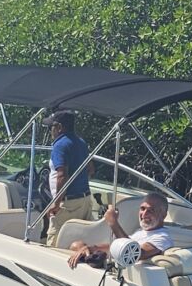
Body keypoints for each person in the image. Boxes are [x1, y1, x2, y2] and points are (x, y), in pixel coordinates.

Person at [68, 192, 174, 268]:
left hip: (129, 278)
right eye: (142, 209)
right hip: (117, 270)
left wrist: (113, 222)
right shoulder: (141, 232)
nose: (144, 214)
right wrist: (89, 248)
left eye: (151, 210)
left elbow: (132, 253)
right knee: (77, 245)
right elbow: (114, 247)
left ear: (163, 215)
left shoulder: (162, 238)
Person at [43, 110, 93, 247]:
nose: (50, 131)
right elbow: (90, 168)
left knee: (55, 242)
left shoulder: (60, 145)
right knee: (81, 238)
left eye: (51, 127)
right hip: (85, 199)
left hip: (68, 203)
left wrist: (56, 203)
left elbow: (62, 175)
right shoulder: (81, 142)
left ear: (59, 127)